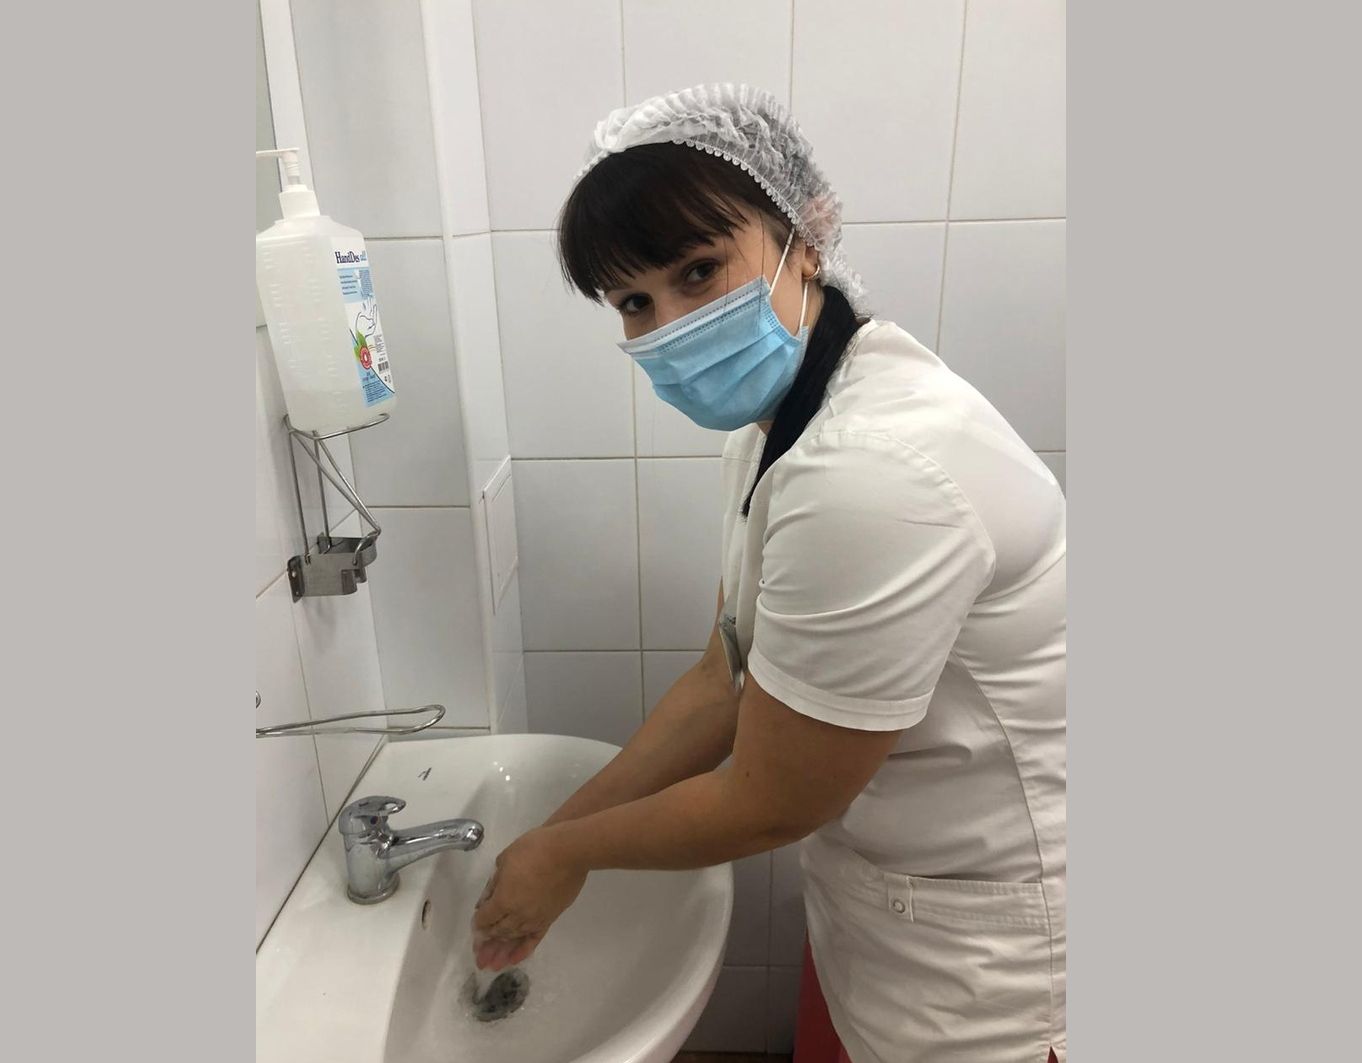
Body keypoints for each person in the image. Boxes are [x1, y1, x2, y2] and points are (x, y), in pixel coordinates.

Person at [471, 84, 1066, 1063]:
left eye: (699, 271)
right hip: (890, 923)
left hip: (993, 978)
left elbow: (772, 800)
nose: (669, 325)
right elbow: (724, 680)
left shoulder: (873, 472)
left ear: (806, 239)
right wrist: (548, 837)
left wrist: (564, 853)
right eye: (634, 303)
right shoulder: (777, 431)